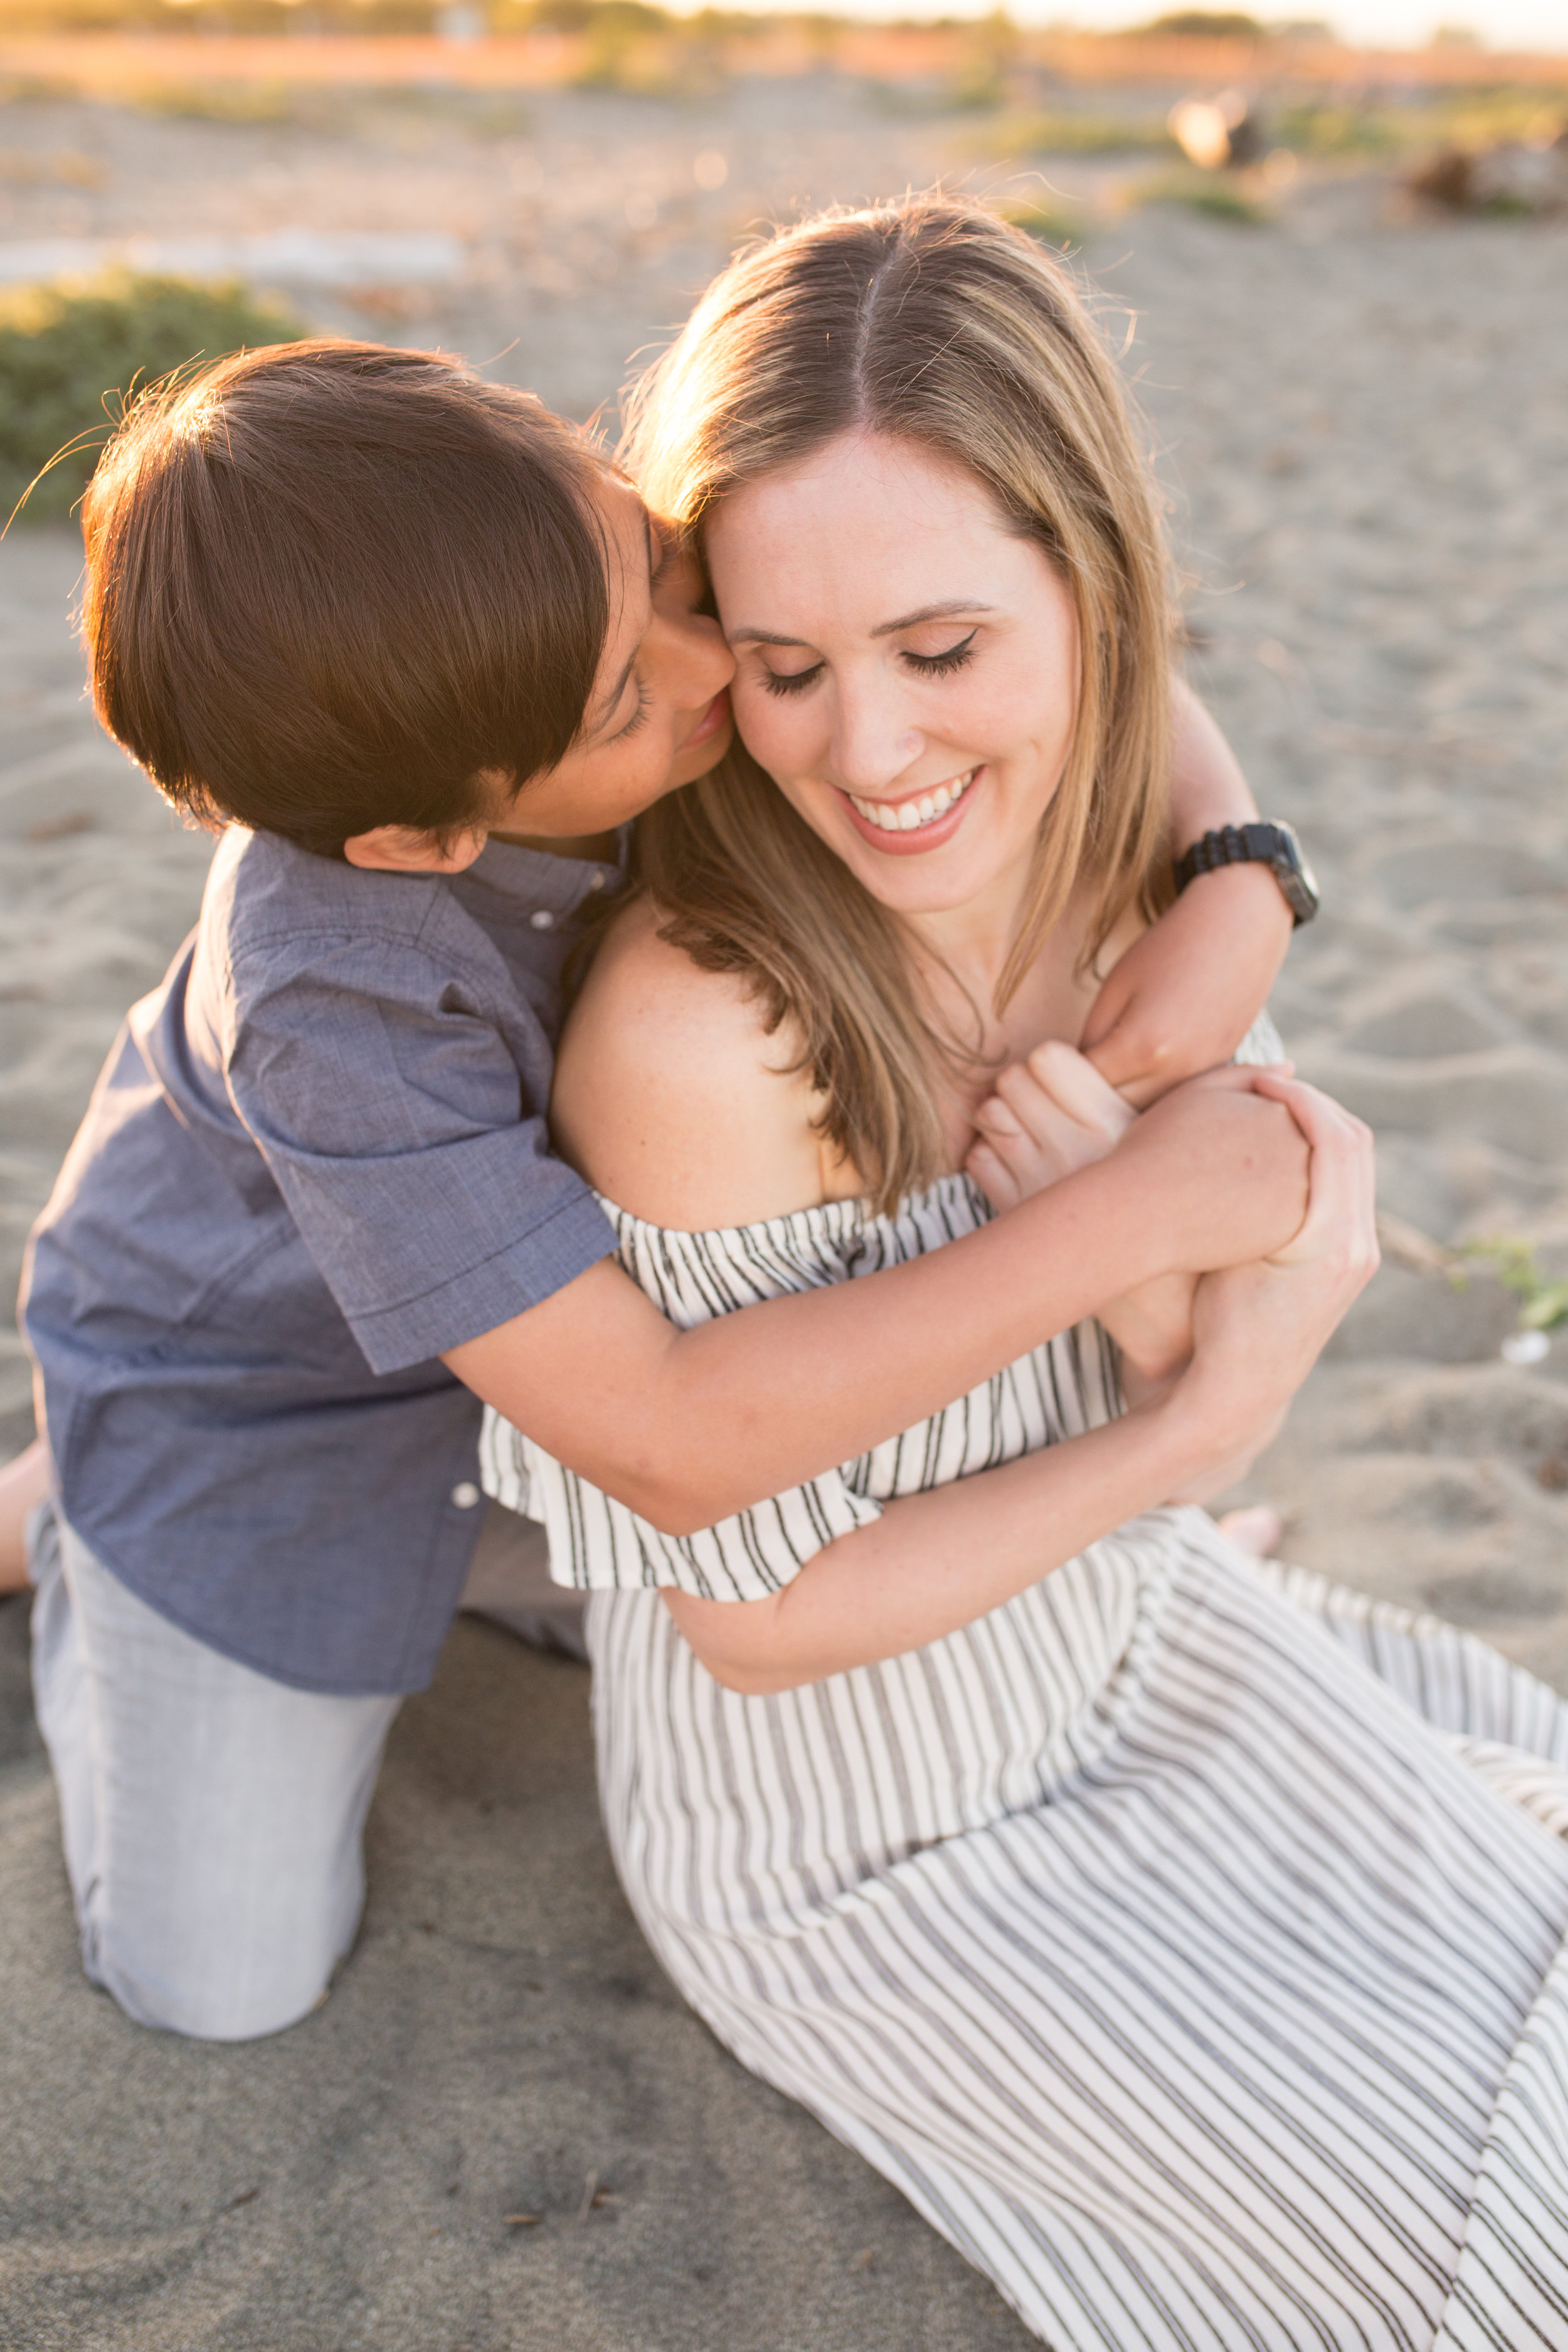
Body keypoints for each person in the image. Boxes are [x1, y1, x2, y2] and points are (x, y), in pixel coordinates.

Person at [484, 198, 1568, 2351]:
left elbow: (1201, 1281)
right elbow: (764, 1619)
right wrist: (1195, 1425)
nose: (871, 754)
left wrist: (1180, 1319)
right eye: (783, 670)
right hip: (879, 1832)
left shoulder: (1133, 852)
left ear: (1091, 594)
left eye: (941, 651)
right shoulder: (708, 1033)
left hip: (1130, 1636)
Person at [4, 337, 1301, 2043]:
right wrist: (1120, 1220)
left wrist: (1233, 867)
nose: (718, 671)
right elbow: (672, 1441)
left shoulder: (549, 590)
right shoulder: (340, 1006)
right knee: (224, 1989)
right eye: (630, 697)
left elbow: (1026, 621)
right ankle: (76, 1523)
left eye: (665, 568)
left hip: (568, 1343)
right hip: (273, 1417)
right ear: (423, 839)